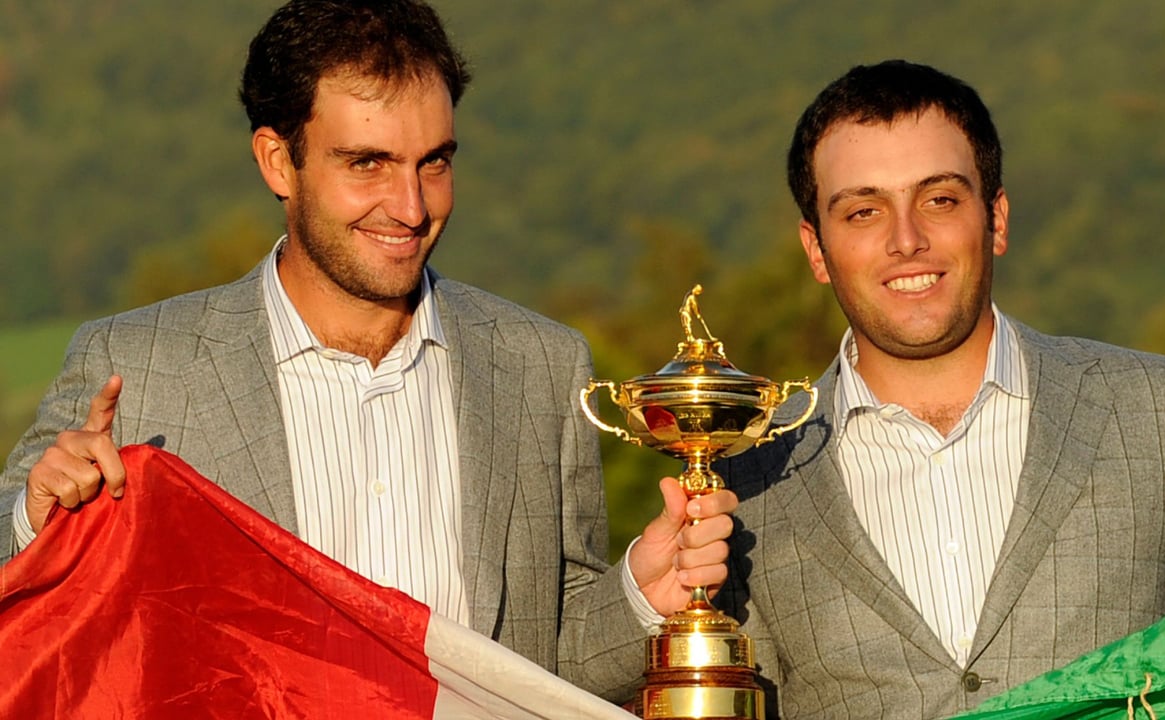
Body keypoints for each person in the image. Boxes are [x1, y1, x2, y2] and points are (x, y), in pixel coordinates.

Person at [0, 0, 737, 703]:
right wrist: (36, 522)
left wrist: (640, 590)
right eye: (367, 164)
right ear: (276, 162)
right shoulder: (139, 365)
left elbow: (543, 662)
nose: (412, 208)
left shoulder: (540, 366)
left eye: (434, 163)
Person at [714, 59, 1165, 719]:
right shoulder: (751, 471)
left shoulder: (1156, 408)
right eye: (864, 211)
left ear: (997, 219)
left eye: (940, 199)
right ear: (816, 249)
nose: (907, 240)